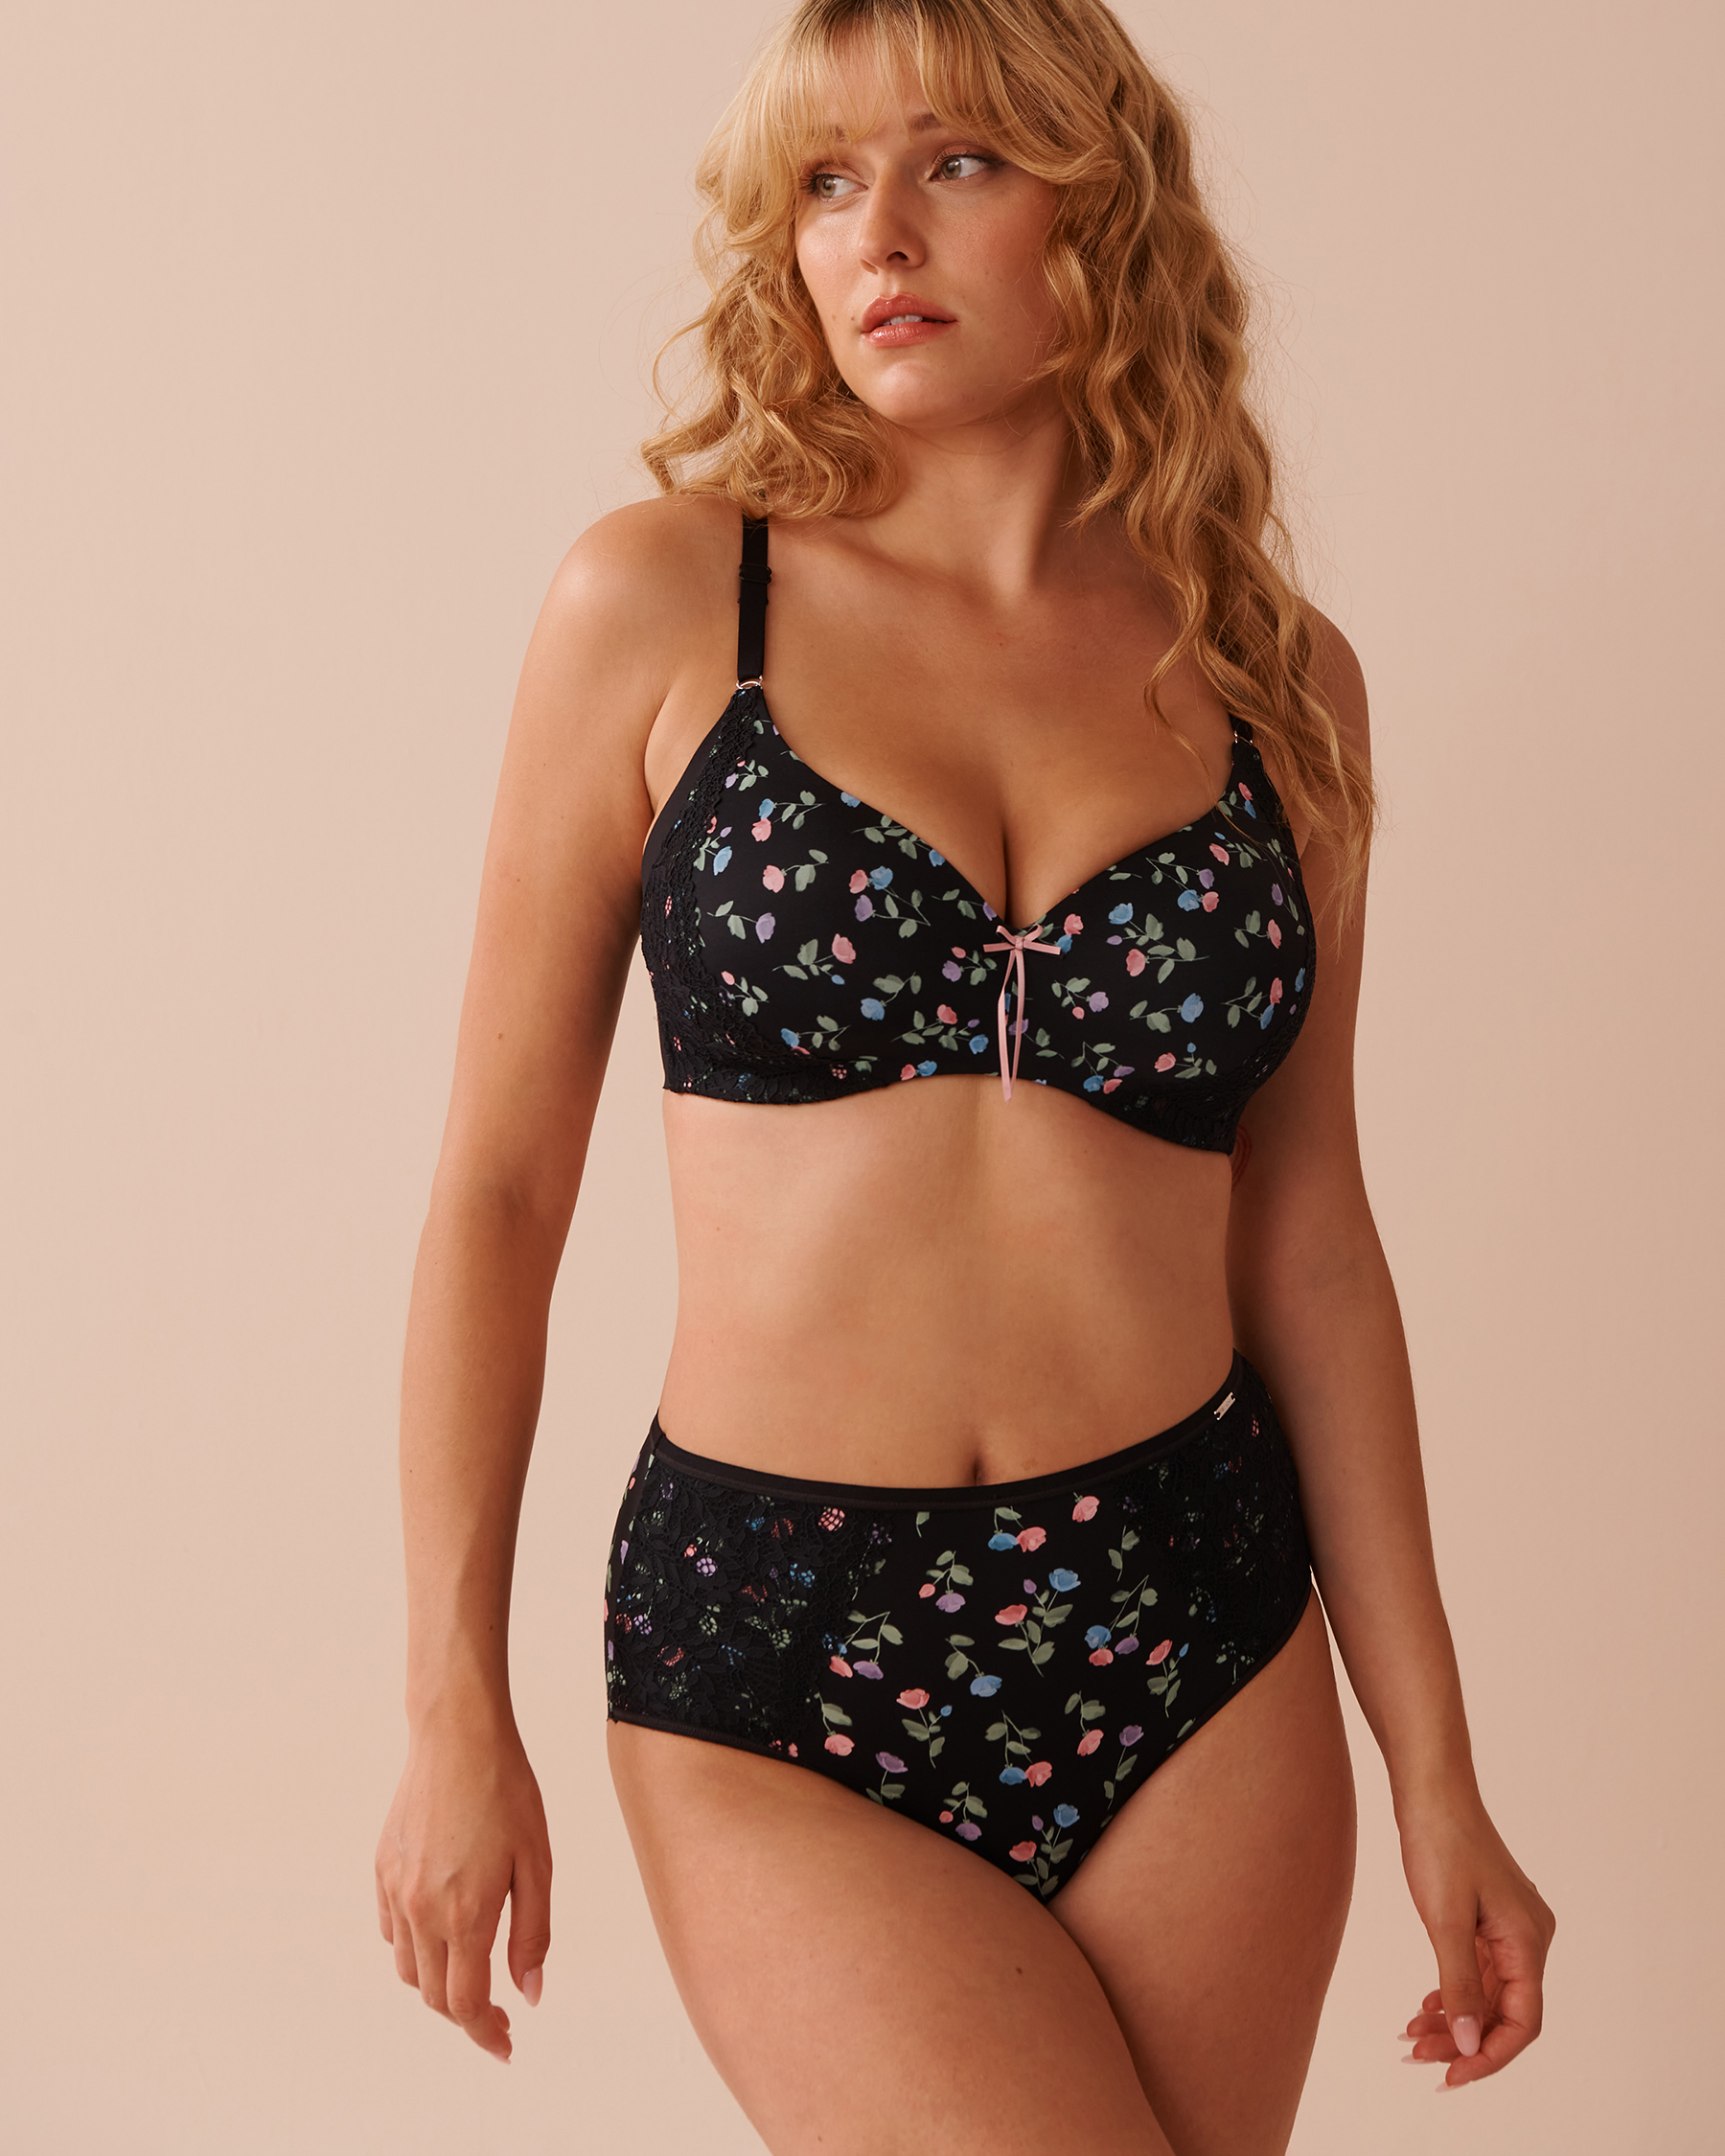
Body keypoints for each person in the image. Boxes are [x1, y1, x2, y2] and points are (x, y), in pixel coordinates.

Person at [374, 1, 1554, 2146]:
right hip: (776, 1655)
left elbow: (1310, 1240)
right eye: (825, 183)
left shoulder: (1280, 686)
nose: (877, 235)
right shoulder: (662, 604)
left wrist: (1440, 1772)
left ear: (1102, 207)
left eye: (956, 163)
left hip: (1198, 1633)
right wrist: (454, 1700)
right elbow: (496, 1193)